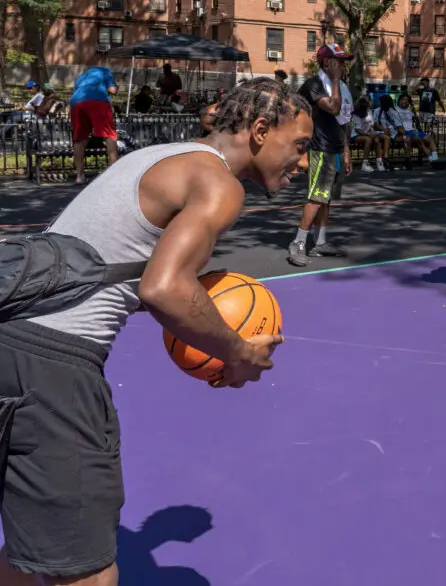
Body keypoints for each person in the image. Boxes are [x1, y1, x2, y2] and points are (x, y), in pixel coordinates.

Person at [0, 77, 309, 586]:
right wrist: (237, 352)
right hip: (54, 365)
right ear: (259, 130)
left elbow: (114, 268)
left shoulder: (160, 156)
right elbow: (164, 289)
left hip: (10, 333)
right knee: (87, 572)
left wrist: (200, 315)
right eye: (298, 146)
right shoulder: (220, 184)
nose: (302, 162)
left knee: (26, 549)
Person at [287, 44, 354, 267]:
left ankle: (320, 242)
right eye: (339, 62)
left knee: (326, 198)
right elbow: (333, 108)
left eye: (344, 62)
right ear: (327, 63)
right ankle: (298, 242)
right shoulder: (314, 85)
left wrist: (346, 151)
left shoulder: (341, 87)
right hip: (320, 147)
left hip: (335, 148)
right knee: (317, 196)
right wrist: (334, 79)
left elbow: (342, 122)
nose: (343, 66)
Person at [69, 66, 120, 185]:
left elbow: (75, 92)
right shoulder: (105, 71)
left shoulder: (81, 77)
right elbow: (113, 90)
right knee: (109, 135)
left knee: (79, 139)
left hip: (76, 102)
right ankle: (114, 173)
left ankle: (80, 176)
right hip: (98, 101)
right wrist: (116, 86)